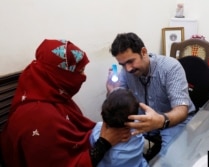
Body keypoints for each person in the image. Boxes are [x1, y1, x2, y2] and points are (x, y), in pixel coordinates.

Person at [0, 39, 131, 167]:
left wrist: (113, 93)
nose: (83, 77)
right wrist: (104, 143)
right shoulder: (39, 118)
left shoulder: (48, 91)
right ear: (60, 75)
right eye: (79, 72)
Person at [106, 32, 196, 162]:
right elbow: (120, 105)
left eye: (130, 61)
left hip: (174, 121)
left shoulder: (171, 68)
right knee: (118, 151)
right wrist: (112, 92)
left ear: (143, 52)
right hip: (146, 121)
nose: (128, 69)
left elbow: (181, 110)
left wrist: (160, 120)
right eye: (123, 65)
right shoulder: (126, 72)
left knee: (172, 161)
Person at [90, 88, 149, 167]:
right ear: (133, 117)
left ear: (103, 113)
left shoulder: (96, 132)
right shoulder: (137, 131)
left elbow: (91, 149)